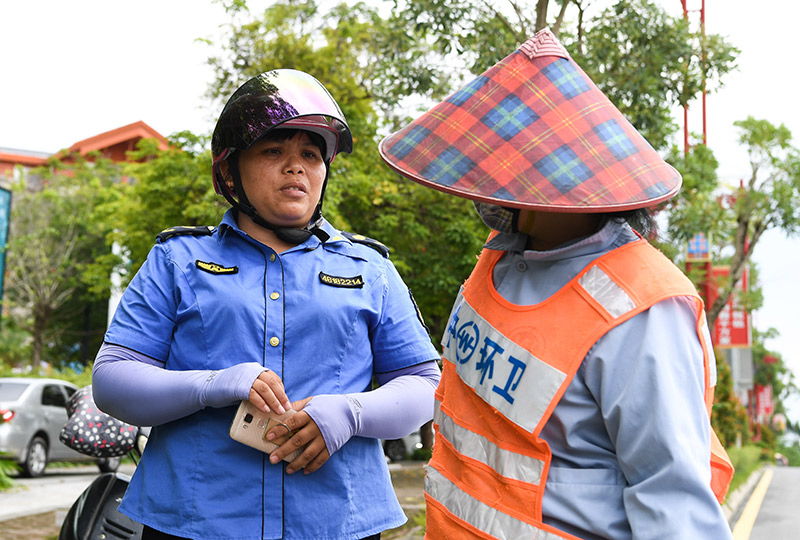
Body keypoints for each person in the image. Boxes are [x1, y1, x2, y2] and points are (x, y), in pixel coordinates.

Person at [378, 29, 734, 540]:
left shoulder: (643, 308)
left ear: (539, 178)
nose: (483, 180)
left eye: (500, 163)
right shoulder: (498, 260)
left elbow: (672, 501)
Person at [92, 68, 441, 540]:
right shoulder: (177, 259)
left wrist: (350, 413)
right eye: (274, 150)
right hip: (192, 522)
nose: (296, 166)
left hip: (338, 523)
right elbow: (112, 380)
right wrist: (214, 384)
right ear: (232, 168)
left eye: (311, 155)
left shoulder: (370, 267)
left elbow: (423, 384)